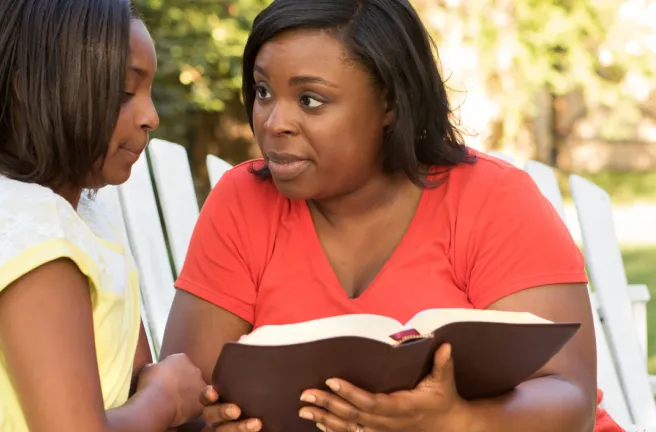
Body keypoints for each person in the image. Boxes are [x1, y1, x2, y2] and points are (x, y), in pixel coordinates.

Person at [160, 0, 624, 431]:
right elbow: (182, 393)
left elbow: (571, 397)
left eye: (310, 100)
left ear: (390, 102)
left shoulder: (493, 199)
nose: (273, 122)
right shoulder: (242, 201)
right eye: (263, 91)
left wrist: (456, 420)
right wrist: (215, 421)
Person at [0, 0, 207, 430]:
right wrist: (166, 399)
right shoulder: (19, 218)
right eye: (124, 93)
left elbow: (136, 385)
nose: (151, 117)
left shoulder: (90, 224)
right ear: (31, 88)